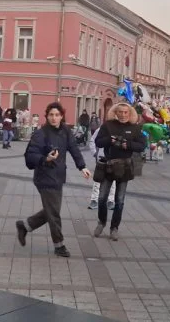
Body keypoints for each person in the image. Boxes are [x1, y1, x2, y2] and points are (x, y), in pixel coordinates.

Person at [16, 102, 91, 258]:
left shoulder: (65, 131)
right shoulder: (41, 134)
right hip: (44, 177)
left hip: (58, 176)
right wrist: (46, 159)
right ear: (47, 116)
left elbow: (74, 149)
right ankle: (59, 245)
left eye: (57, 115)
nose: (54, 118)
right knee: (54, 213)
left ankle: (25, 226)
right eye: (51, 115)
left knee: (51, 210)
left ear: (61, 116)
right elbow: (30, 155)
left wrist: (82, 166)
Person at [94, 103, 147, 241]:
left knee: (120, 200)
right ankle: (101, 222)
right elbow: (98, 142)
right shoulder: (108, 125)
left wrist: (128, 145)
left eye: (125, 112)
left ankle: (114, 228)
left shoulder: (135, 128)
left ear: (129, 114)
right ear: (115, 113)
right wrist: (109, 140)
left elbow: (142, 145)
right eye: (120, 112)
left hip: (124, 167)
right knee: (101, 198)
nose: (123, 115)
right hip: (108, 165)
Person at [87, 127, 116, 211]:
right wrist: (94, 153)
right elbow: (92, 140)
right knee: (98, 179)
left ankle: (110, 201)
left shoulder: (119, 129)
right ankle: (94, 200)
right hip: (101, 158)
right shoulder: (101, 129)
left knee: (113, 181)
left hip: (114, 159)